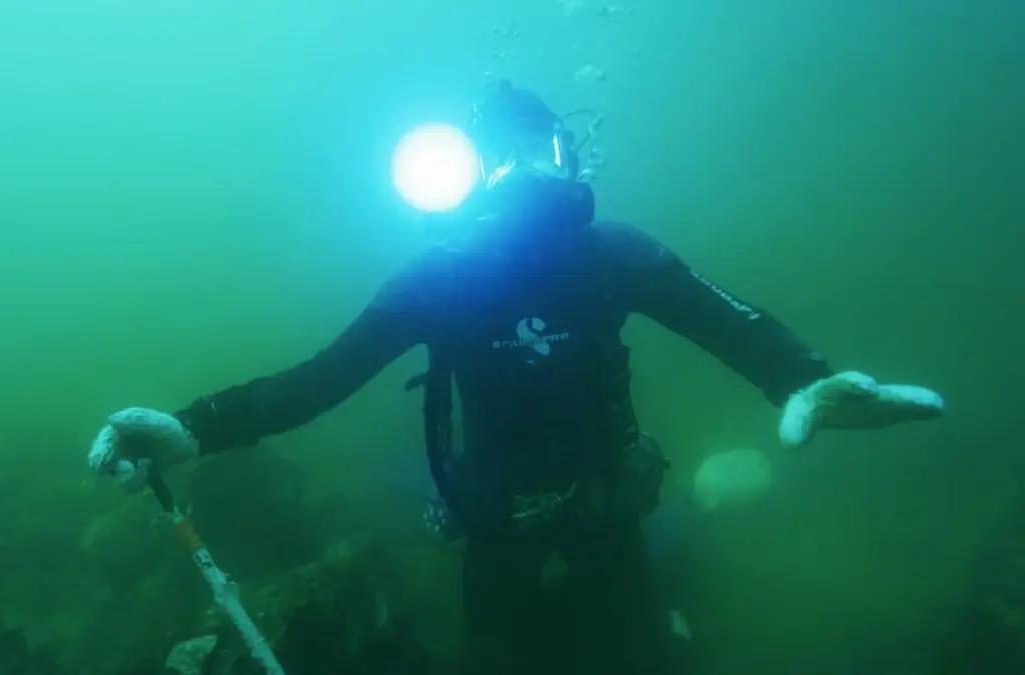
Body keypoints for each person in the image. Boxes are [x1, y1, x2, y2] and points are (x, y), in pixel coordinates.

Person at [87, 80, 945, 675]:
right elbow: (317, 382)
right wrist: (192, 426)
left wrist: (804, 379)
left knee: (641, 651)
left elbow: (727, 321)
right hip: (496, 517)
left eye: (541, 149)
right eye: (501, 156)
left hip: (607, 504)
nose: (525, 169)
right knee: (497, 654)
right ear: (461, 181)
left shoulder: (614, 255)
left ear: (570, 156)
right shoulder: (442, 279)